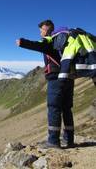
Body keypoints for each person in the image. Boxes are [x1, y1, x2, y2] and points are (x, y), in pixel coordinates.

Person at [16, 20, 75, 148]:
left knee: (54, 107)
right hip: (69, 78)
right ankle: (69, 139)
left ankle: (53, 141)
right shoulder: (65, 41)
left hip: (56, 78)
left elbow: (38, 45)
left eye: (41, 30)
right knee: (66, 109)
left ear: (47, 29)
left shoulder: (50, 40)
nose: (40, 33)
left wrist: (22, 42)